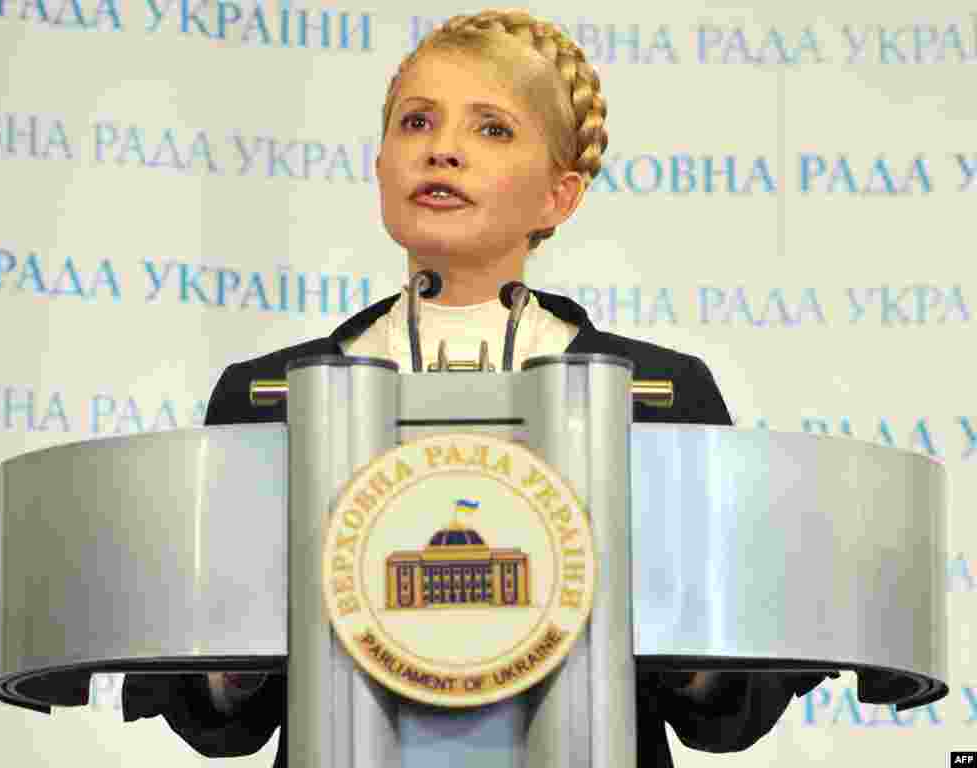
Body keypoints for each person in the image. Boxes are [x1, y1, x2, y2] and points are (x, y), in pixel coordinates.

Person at [121, 9, 831, 766]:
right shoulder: (267, 393)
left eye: (491, 129)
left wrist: (676, 628)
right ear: (381, 165)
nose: (443, 150)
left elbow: (729, 721)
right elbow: (217, 725)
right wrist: (237, 648)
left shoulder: (658, 394)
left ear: (560, 196)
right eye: (416, 122)